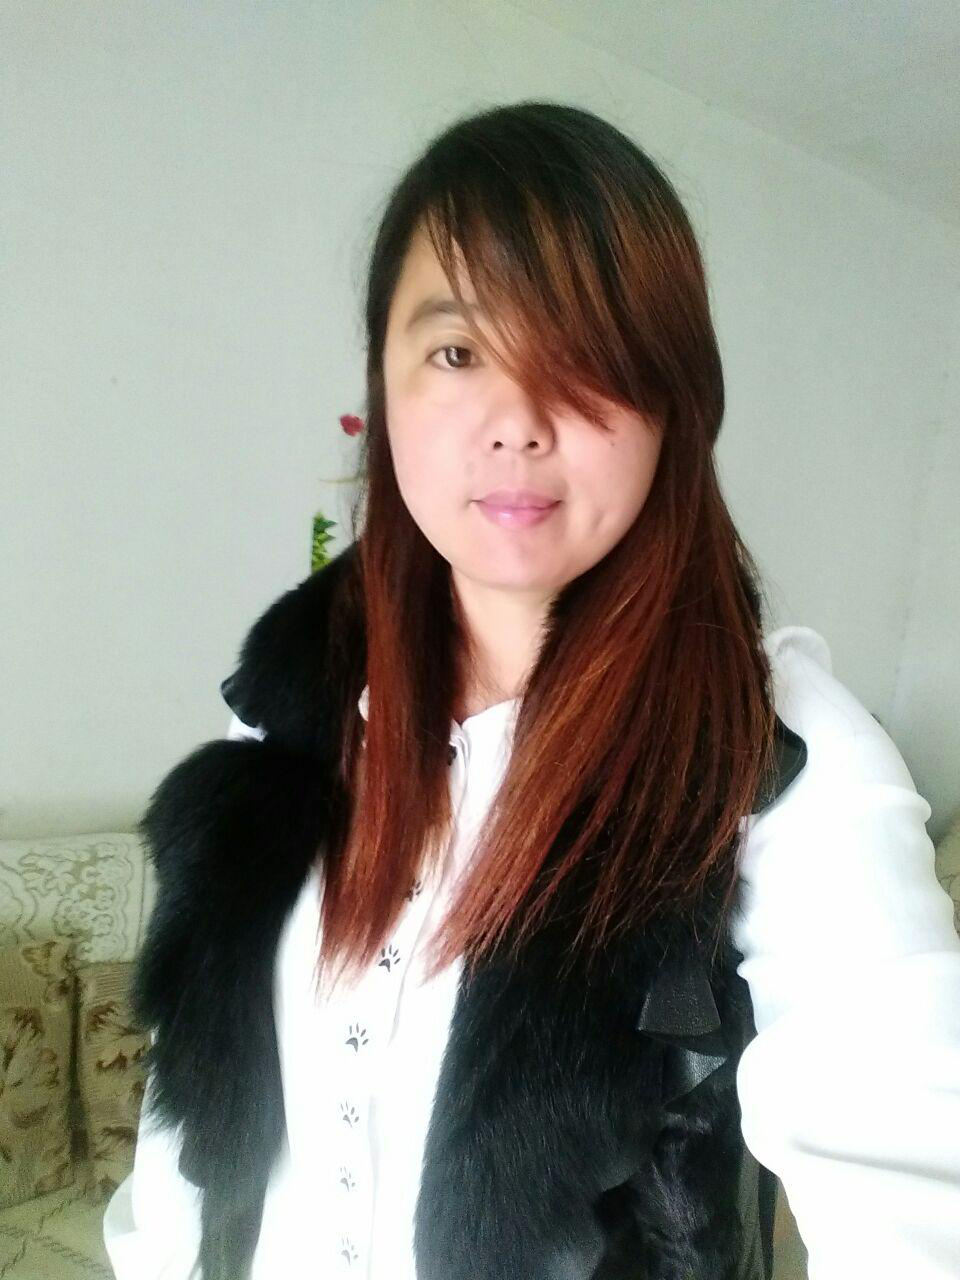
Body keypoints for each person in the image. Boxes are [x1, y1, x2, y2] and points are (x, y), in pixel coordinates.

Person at [102, 101, 960, 1280]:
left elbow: (913, 1171)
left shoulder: (781, 758)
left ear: (674, 405)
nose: (517, 425)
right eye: (457, 352)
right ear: (385, 383)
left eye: (586, 359)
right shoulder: (280, 703)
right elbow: (188, 1112)